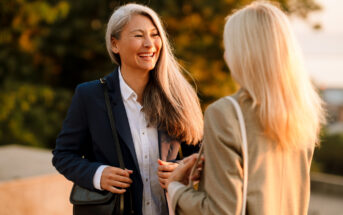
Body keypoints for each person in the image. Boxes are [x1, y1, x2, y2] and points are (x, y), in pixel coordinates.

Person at [167, 2, 326, 215]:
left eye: (229, 47)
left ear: (244, 53)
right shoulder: (302, 115)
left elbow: (220, 211)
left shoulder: (226, 113)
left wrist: (175, 188)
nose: (226, 56)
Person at [52, 3, 203, 215]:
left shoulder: (178, 96)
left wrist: (182, 170)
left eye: (154, 34)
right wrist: (98, 174)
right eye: (138, 35)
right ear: (115, 44)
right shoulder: (89, 96)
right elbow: (63, 155)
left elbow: (201, 157)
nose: (149, 44)